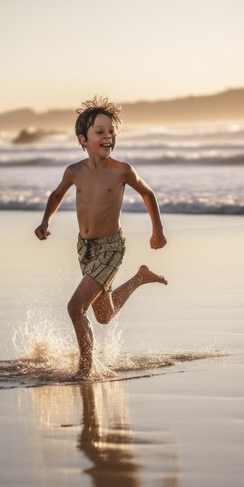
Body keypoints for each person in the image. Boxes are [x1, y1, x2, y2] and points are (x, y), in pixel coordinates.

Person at [34, 96, 167, 379]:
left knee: (75, 308)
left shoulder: (122, 171)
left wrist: (158, 230)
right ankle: (140, 277)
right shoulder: (74, 171)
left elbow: (148, 193)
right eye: (100, 132)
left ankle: (85, 369)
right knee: (103, 315)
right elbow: (56, 194)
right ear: (83, 139)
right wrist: (46, 221)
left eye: (111, 132)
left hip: (111, 248)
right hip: (85, 248)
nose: (108, 137)